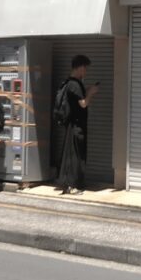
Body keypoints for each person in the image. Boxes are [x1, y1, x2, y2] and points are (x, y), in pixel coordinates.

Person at [57, 55, 98, 195]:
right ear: (80, 67)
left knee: (73, 155)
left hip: (73, 125)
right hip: (76, 126)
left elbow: (78, 100)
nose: (86, 70)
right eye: (85, 68)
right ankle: (71, 186)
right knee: (75, 156)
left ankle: (69, 185)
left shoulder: (70, 82)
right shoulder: (74, 84)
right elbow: (83, 103)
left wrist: (86, 92)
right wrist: (91, 93)